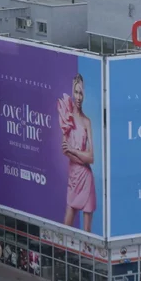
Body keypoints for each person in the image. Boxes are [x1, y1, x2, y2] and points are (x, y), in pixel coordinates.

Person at [57, 73, 96, 232]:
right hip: (74, 177)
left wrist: (74, 151)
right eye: (76, 92)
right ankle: (62, 254)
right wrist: (81, 155)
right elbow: (64, 150)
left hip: (87, 178)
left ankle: (86, 256)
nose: (79, 97)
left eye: (81, 93)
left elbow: (92, 157)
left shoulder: (87, 121)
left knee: (88, 233)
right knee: (66, 227)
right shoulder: (67, 118)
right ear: (72, 92)